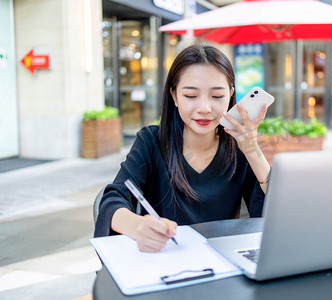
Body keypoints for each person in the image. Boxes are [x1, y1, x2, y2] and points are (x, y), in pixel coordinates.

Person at [94, 44, 271, 252]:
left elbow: (276, 211)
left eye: (217, 96)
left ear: (231, 95)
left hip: (222, 263)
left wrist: (252, 151)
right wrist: (138, 226)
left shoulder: (239, 147)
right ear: (174, 96)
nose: (204, 108)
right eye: (190, 96)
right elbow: (113, 200)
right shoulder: (151, 141)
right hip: (165, 261)